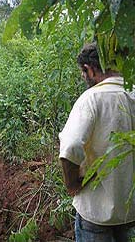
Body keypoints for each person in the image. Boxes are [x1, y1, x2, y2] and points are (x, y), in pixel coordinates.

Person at [59, 42, 135, 242]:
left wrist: (72, 185)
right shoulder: (133, 93)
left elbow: (71, 147)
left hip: (96, 213)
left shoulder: (91, 99)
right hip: (129, 212)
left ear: (89, 69)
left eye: (83, 73)